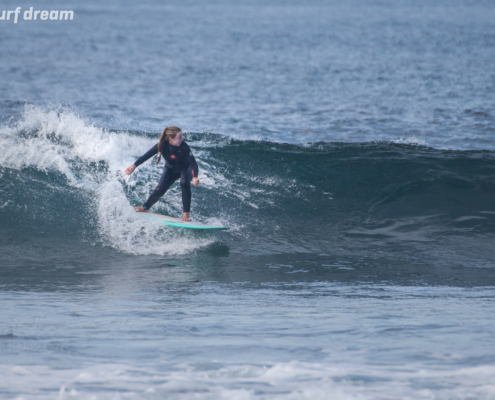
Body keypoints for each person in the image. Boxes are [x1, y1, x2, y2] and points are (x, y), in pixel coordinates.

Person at [124, 126, 199, 221]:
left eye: (182, 137)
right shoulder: (162, 145)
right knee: (160, 189)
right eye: (179, 138)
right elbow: (146, 155)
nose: (182, 139)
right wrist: (134, 166)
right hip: (170, 169)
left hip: (185, 169)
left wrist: (195, 177)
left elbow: (193, 164)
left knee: (184, 182)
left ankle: (186, 216)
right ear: (170, 139)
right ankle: (145, 207)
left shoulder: (184, 147)